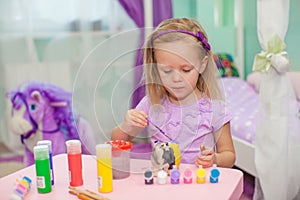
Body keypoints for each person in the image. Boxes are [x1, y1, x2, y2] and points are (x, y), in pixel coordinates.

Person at [111, 18, 235, 168]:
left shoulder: (216, 109)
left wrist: (215, 159)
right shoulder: (151, 103)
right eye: (167, 70)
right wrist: (126, 126)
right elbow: (118, 142)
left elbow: (229, 156)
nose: (176, 79)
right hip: (163, 182)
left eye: (186, 70)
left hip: (199, 184)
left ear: (202, 65)